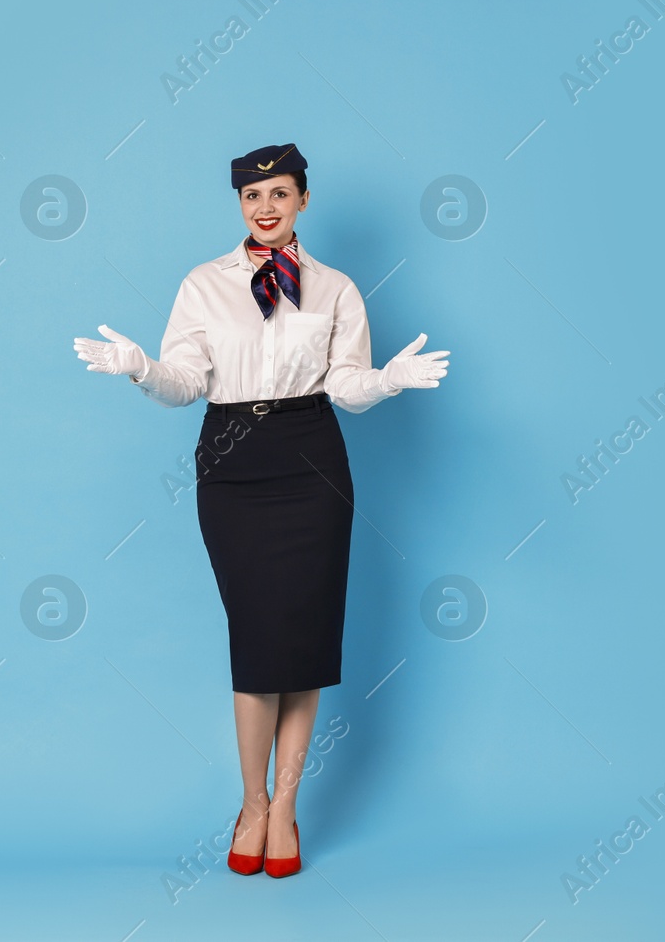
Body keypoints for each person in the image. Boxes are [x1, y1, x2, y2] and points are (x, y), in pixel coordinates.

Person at [72, 143, 449, 878]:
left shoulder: (336, 289)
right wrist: (141, 369)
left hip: (312, 458)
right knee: (257, 637)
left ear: (304, 199)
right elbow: (186, 381)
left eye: (280, 192)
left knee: (301, 640)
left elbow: (345, 386)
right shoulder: (203, 285)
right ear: (240, 204)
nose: (266, 207)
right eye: (252, 196)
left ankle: (286, 807)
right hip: (233, 462)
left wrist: (388, 380)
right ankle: (251, 800)